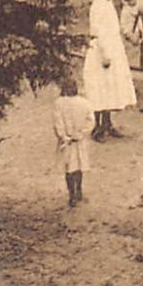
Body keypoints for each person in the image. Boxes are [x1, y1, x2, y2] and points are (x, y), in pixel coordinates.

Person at [82, 0, 135, 142]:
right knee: (100, 87)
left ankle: (108, 124)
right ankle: (97, 128)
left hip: (113, 48)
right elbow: (97, 31)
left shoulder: (109, 3)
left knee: (111, 87)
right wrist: (104, 54)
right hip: (101, 50)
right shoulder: (98, 5)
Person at [52, 76, 93, 207]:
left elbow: (58, 122)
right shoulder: (85, 103)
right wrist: (82, 134)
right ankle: (79, 190)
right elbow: (91, 121)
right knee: (79, 166)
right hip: (79, 141)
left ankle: (72, 195)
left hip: (66, 142)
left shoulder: (59, 103)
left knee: (69, 168)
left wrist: (63, 136)